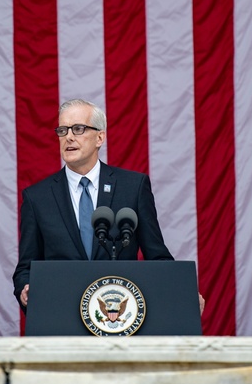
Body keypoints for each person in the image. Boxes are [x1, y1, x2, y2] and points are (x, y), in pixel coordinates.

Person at [12, 99, 173, 310]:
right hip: (62, 317)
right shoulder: (37, 198)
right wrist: (26, 288)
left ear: (100, 137)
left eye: (78, 129)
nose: (68, 136)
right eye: (62, 130)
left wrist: (182, 291)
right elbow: (25, 268)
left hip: (119, 317)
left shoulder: (132, 187)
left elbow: (158, 257)